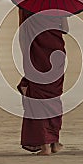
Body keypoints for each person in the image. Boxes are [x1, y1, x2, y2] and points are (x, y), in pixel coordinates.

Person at [17, 9, 68, 155]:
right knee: (54, 94)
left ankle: (45, 144)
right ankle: (54, 142)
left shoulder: (26, 2)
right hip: (56, 51)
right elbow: (65, 29)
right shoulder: (58, 2)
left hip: (35, 53)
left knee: (37, 93)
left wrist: (26, 56)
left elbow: (22, 31)